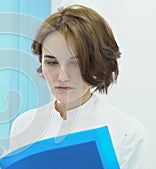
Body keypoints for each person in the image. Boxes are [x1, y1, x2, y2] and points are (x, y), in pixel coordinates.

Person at [9, 4, 148, 169]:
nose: (62, 77)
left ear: (99, 63)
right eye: (51, 62)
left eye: (75, 63)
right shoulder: (25, 125)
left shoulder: (126, 132)